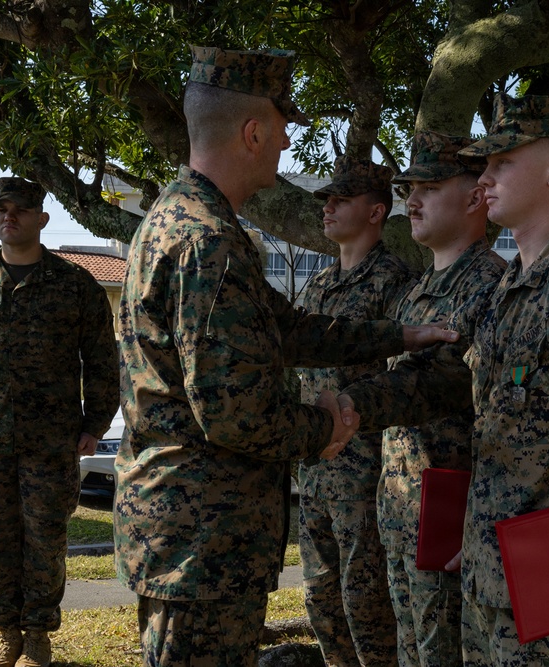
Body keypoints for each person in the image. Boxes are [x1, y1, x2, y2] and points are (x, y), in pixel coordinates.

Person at [114, 45, 456, 667]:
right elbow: (237, 414)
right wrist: (328, 425)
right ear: (252, 132)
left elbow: (288, 330)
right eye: (282, 131)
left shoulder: (179, 217)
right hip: (203, 539)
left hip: (191, 531)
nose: (285, 147)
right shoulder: (208, 243)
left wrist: (401, 336)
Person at [340, 94, 549, 665]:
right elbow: (491, 433)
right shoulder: (506, 292)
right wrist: (471, 539)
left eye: (503, 163)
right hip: (487, 577)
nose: (486, 178)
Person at [0, 176, 119, 667]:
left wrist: (95, 424)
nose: (8, 216)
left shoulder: (75, 284)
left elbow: (101, 360)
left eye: (20, 209)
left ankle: (37, 635)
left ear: (42, 219)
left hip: (51, 442)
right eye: (0, 210)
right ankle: (6, 633)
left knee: (46, 539)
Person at [380, 131, 506, 666]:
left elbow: (503, 424)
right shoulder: (413, 292)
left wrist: (482, 524)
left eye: (429, 187)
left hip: (453, 524)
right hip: (402, 513)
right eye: (410, 187)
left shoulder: (492, 287)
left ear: (476, 196)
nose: (412, 200)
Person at [297, 156, 415, 666]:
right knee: (321, 597)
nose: (328, 207)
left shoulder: (395, 282)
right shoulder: (318, 284)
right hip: (316, 468)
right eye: (327, 198)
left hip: (366, 472)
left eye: (341, 199)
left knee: (367, 603)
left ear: (376, 212)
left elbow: (405, 376)